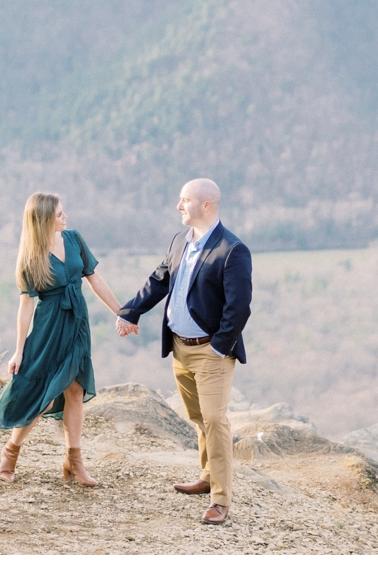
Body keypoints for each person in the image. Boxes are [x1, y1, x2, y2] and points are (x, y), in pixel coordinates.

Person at [116, 178, 252, 525]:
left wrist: (219, 348)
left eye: (185, 200)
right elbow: (160, 279)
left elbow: (238, 308)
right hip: (179, 348)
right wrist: (131, 310)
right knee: (197, 417)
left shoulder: (232, 250)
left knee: (215, 421)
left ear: (207, 205)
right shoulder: (180, 240)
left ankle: (221, 500)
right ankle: (208, 476)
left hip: (211, 353)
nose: (179, 206)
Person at [0, 192, 124, 486]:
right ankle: (10, 453)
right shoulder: (30, 258)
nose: (65, 217)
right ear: (44, 220)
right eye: (59, 214)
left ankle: (74, 463)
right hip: (49, 330)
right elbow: (25, 306)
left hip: (77, 324)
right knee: (42, 396)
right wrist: (18, 350)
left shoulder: (73, 239)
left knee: (75, 391)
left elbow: (94, 278)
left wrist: (121, 312)